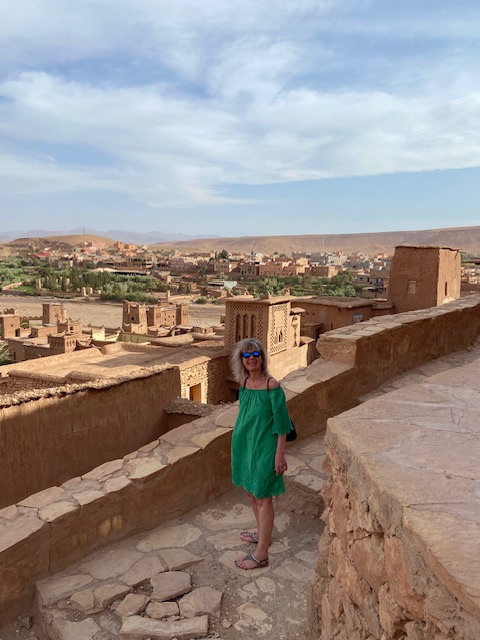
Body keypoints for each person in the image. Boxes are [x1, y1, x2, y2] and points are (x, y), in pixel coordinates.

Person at [230, 337, 292, 570]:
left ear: (262, 357)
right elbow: (246, 416)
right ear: (241, 360)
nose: (251, 359)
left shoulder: (271, 386)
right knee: (251, 494)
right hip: (245, 447)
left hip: (265, 449)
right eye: (246, 355)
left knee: (264, 498)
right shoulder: (244, 383)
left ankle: (261, 554)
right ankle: (261, 535)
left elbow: (282, 424)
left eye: (255, 354)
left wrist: (279, 454)